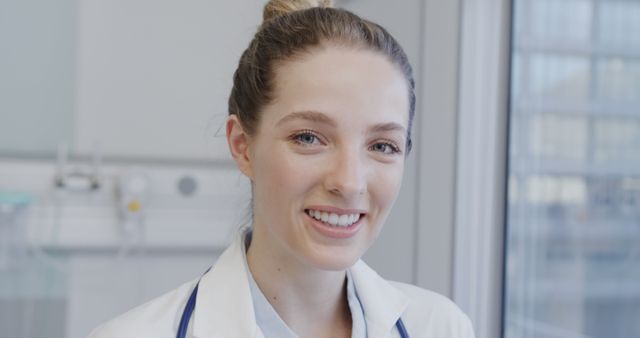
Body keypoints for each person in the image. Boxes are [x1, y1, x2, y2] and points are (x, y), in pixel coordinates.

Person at [88, 1, 475, 337]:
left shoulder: (440, 327)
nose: (349, 182)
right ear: (242, 146)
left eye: (382, 146)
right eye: (309, 138)